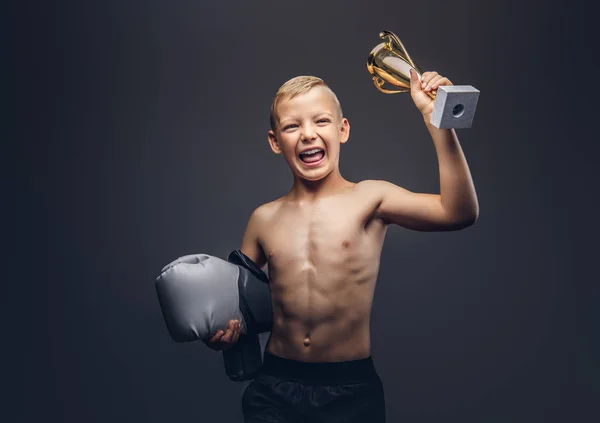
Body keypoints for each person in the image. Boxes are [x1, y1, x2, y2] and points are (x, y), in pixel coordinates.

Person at [205, 69, 479, 423]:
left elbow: (458, 212)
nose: (307, 134)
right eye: (292, 127)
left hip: (349, 389)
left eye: (321, 121)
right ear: (275, 142)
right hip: (274, 386)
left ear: (342, 130)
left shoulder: (371, 198)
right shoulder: (263, 219)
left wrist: (437, 121)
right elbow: (239, 309)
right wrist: (225, 335)